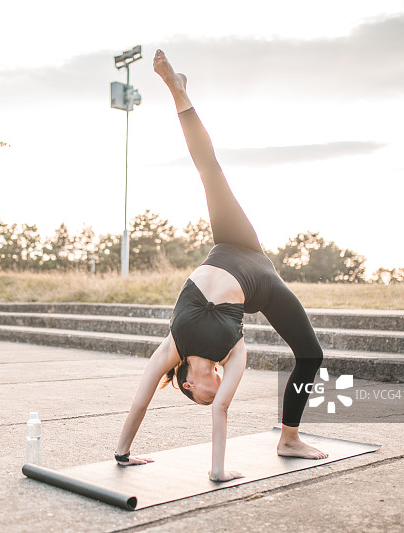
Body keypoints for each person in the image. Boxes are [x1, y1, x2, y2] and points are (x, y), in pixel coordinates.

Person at [114, 50, 328, 482]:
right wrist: (217, 472)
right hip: (262, 283)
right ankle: (289, 438)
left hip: (233, 244)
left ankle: (180, 94)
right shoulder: (232, 353)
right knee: (311, 355)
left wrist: (122, 454)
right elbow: (223, 411)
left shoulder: (172, 348)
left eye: (206, 394)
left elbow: (140, 402)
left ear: (190, 386)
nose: (219, 389)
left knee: (209, 171)